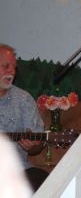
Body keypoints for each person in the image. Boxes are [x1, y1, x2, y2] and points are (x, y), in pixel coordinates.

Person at [0, 43, 49, 191]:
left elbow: (38, 145)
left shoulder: (23, 99)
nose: (11, 72)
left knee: (41, 180)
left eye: (14, 67)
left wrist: (34, 145)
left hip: (17, 171)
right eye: (5, 66)